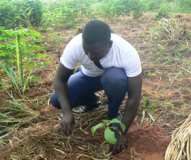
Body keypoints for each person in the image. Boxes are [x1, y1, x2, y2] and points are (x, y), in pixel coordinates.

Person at [50, 20, 142, 154]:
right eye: (86, 51)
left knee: (114, 79)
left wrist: (122, 131)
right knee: (57, 100)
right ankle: (92, 101)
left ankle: (113, 116)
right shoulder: (75, 45)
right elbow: (59, 80)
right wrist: (67, 112)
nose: (90, 56)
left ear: (109, 45)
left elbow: (134, 97)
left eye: (96, 52)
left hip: (113, 78)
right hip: (88, 77)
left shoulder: (126, 52)